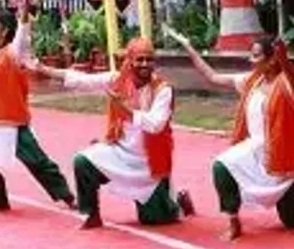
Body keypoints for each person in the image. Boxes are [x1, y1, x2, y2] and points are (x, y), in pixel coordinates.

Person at [30, 38, 194, 230]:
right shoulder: (116, 80)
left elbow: (156, 124)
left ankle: (179, 201)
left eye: (149, 60)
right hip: (119, 152)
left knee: (155, 220)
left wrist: (127, 111)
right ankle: (90, 214)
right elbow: (81, 80)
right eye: (139, 59)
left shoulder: (163, 90)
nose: (144, 64)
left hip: (149, 164)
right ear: (130, 60)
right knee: (83, 161)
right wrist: (43, 69)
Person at [166, 29, 294, 239]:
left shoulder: (286, 84)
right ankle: (233, 221)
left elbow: (290, 75)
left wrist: (283, 58)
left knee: (291, 223)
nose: (250, 60)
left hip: (286, 156)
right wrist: (189, 47)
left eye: (256, 55)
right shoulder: (251, 81)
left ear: (272, 60)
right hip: (257, 150)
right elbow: (212, 76)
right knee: (222, 166)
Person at [0, 5, 76, 211]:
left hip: (10, 118)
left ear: (5, 31)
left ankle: (68, 197)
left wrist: (24, 19)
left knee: (37, 161)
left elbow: (22, 33)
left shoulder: (13, 52)